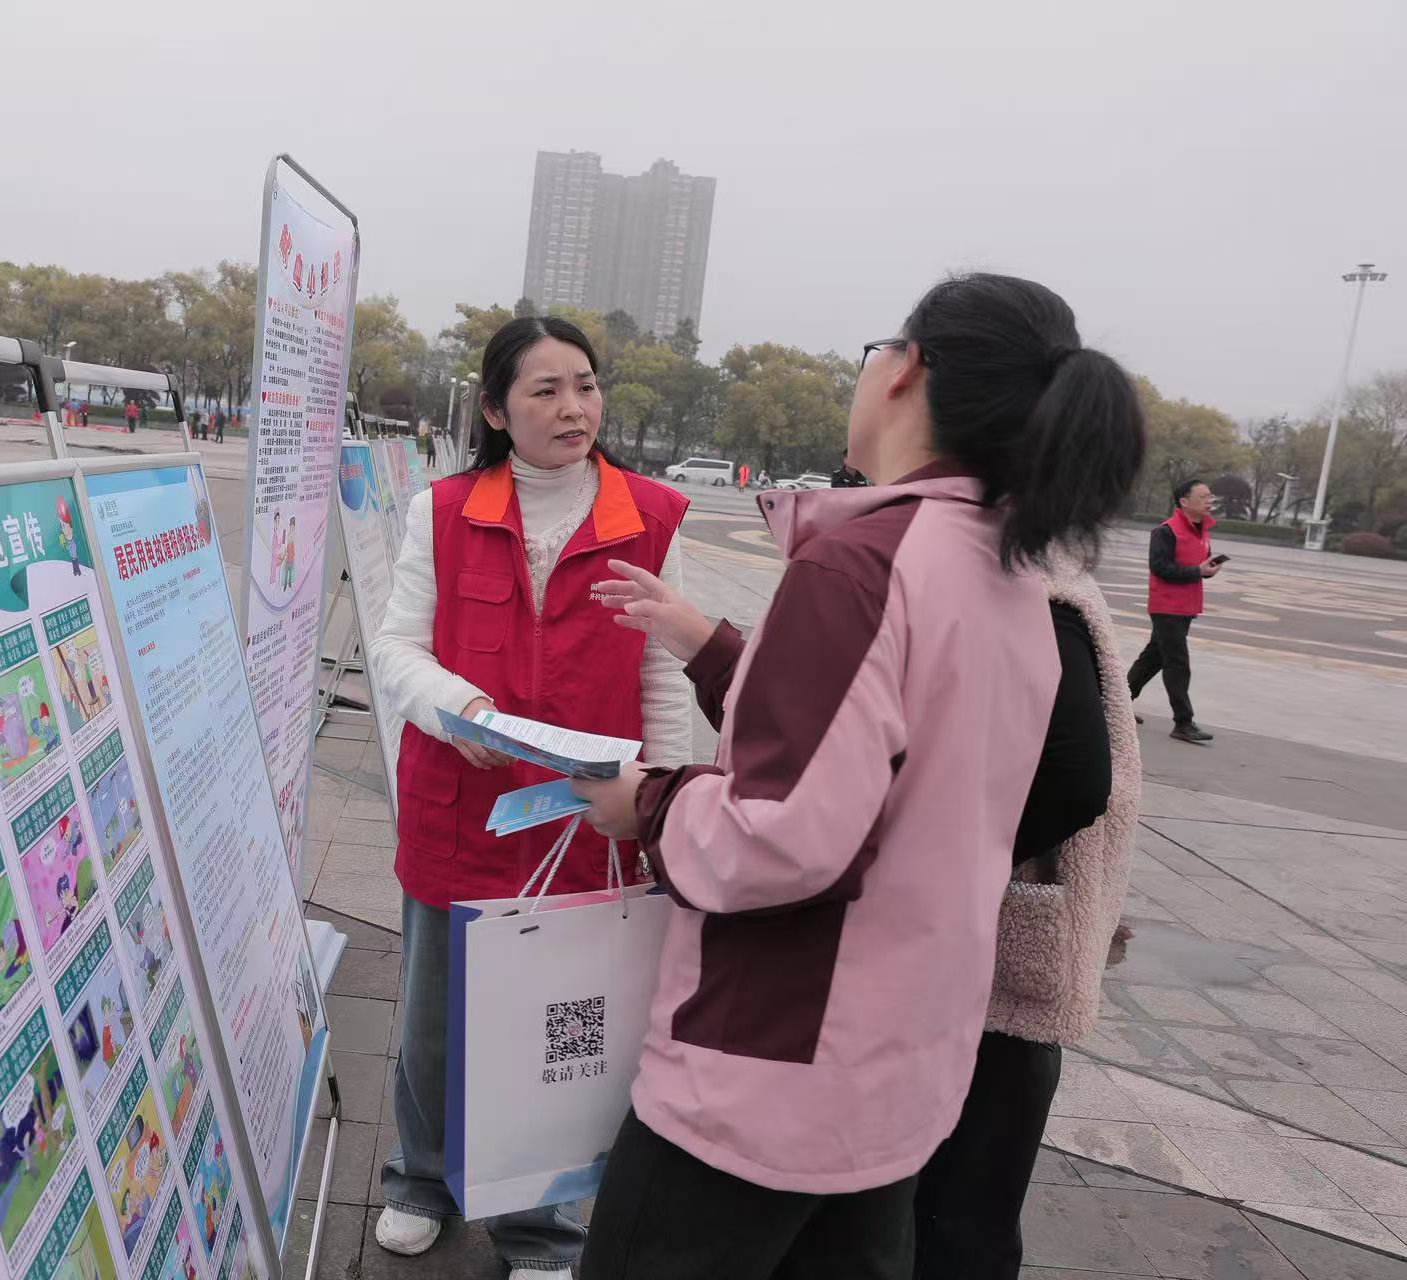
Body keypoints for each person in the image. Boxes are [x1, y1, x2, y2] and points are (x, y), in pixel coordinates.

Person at [571, 272, 1145, 1279]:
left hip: (769, 1067)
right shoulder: (1008, 569)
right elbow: (898, 759)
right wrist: (715, 649)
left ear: (908, 369)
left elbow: (780, 839)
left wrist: (649, 803)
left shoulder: (861, 567)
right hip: (900, 1063)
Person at [369, 315, 695, 1280]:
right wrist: (457, 707)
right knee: (434, 1025)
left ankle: (540, 1226)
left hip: (587, 825)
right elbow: (397, 646)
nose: (572, 407)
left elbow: (665, 676)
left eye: (585, 385)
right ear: (495, 409)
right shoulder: (444, 511)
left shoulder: (651, 516)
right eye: (545, 390)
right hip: (460, 810)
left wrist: (662, 808)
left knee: (560, 1033)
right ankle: (421, 1183)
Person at [912, 555, 1139, 1277]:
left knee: (956, 1214)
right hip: (988, 955)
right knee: (956, 1204)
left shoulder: (1035, 593)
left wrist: (942, 866)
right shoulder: (1024, 579)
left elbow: (1076, 779)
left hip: (996, 961)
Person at [1127, 478, 1222, 743]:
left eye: (1210, 497)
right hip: (1167, 606)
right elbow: (1159, 567)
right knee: (1177, 663)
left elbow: (1196, 567)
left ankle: (1113, 705)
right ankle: (1183, 722)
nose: (1209, 501)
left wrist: (1207, 571)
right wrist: (1196, 571)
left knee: (1153, 658)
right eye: (1203, 497)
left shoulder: (1203, 530)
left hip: (1187, 605)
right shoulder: (1166, 531)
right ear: (1184, 501)